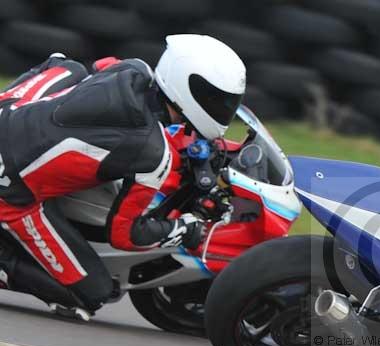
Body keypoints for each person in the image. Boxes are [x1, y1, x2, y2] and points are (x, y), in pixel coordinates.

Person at [0, 34, 246, 318]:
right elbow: (127, 235)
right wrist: (185, 229)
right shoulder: (152, 154)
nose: (225, 109)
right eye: (217, 100)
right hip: (11, 192)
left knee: (69, 67)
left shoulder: (133, 69)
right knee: (92, 293)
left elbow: (103, 68)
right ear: (189, 89)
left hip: (9, 113)